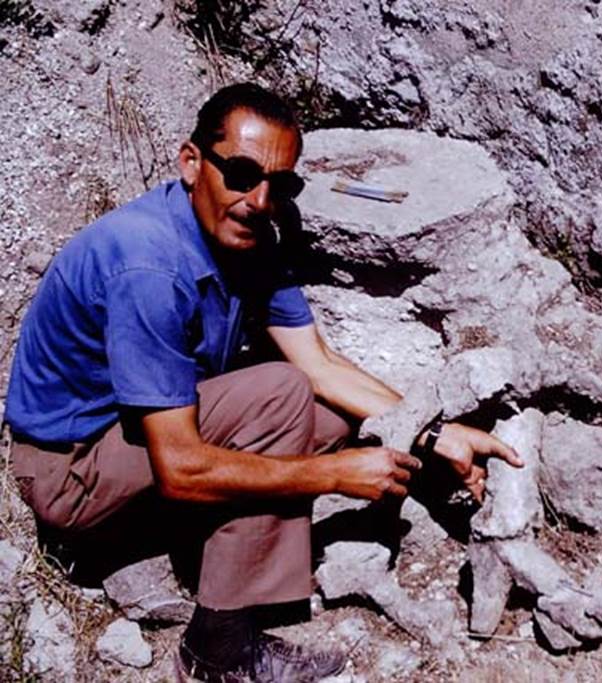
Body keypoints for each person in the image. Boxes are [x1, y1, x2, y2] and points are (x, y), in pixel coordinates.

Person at [4, 82, 521, 682]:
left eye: (281, 185)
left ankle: (203, 547)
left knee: (326, 414)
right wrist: (333, 475)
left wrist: (435, 434)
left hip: (137, 440)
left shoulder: (250, 240)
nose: (259, 199)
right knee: (280, 397)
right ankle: (216, 649)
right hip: (71, 471)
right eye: (242, 173)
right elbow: (179, 464)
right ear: (192, 162)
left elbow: (321, 364)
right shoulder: (148, 266)